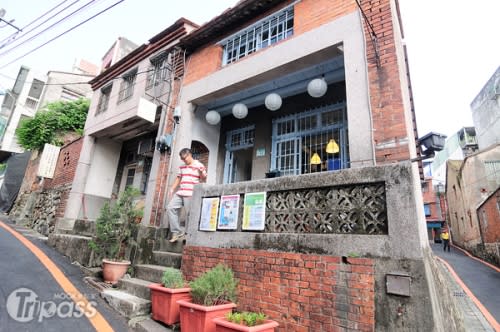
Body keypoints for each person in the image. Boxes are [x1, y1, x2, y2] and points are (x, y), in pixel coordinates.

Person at [167, 148, 207, 242]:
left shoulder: (199, 165)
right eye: (182, 159)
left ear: (190, 155)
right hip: (180, 192)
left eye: (185, 158)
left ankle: (188, 235)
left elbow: (203, 179)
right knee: (170, 208)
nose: (184, 160)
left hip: (191, 193)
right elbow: (178, 178)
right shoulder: (182, 166)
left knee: (189, 214)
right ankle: (177, 231)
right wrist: (172, 188)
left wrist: (201, 172)